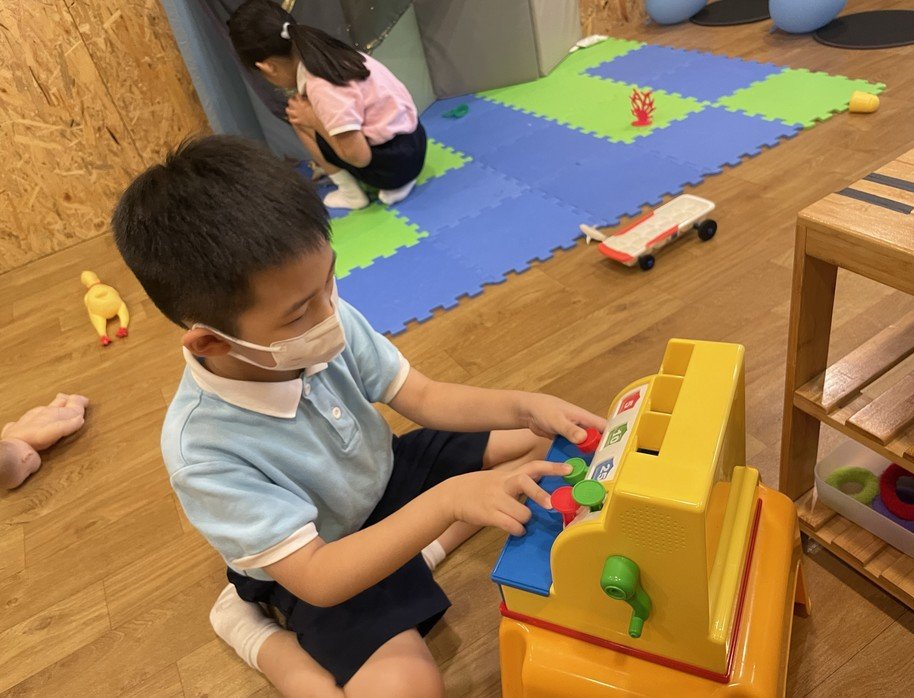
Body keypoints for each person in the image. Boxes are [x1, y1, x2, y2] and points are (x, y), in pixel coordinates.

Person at [111, 135, 605, 697]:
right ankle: (256, 636)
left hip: (384, 477)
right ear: (212, 343)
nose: (331, 312)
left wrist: (523, 405)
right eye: (300, 312)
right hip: (319, 559)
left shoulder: (320, 315)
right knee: (408, 687)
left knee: (550, 442)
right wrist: (448, 501)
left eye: (329, 280)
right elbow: (318, 578)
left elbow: (424, 397)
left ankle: (419, 550)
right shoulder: (202, 449)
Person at [228, 0, 427, 211]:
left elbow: (360, 157)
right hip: (414, 139)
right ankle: (388, 179)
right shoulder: (326, 53)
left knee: (298, 117)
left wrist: (313, 120)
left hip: (396, 166)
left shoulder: (320, 85)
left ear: (268, 68)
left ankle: (352, 192)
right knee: (304, 112)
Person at [1, 394, 89, 489]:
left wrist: (74, 423)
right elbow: (8, 425)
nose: (29, 474)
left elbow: (58, 428)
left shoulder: (39, 437)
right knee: (48, 411)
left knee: (75, 412)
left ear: (27, 457)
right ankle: (60, 399)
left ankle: (76, 400)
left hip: (55, 414)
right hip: (36, 413)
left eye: (27, 473)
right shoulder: (6, 435)